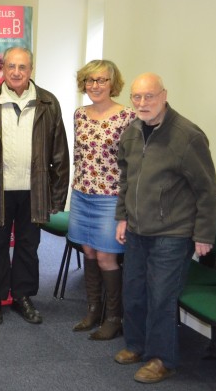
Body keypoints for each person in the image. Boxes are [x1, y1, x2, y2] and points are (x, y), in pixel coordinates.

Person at [113, 73, 216, 384]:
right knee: (132, 290)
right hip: (136, 228)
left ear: (164, 95)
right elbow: (125, 179)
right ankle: (136, 345)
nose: (143, 103)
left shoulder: (187, 136)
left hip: (173, 232)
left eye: (150, 96)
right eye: (137, 97)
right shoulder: (132, 132)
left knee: (161, 296)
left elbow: (206, 189)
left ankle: (162, 359)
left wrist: (204, 233)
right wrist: (123, 216)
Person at [0, 46, 69, 326]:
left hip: (34, 190)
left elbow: (60, 153)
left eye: (22, 67)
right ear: (3, 68)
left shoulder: (48, 103)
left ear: (31, 69)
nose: (16, 72)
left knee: (29, 246)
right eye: (11, 66)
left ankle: (23, 296)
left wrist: (56, 198)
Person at [68, 60, 135, 340]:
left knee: (107, 257)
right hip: (82, 194)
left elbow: (132, 164)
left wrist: (126, 208)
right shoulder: (79, 114)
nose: (95, 86)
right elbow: (79, 155)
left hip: (110, 198)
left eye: (102, 80)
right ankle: (93, 309)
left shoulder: (127, 117)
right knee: (90, 253)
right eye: (90, 81)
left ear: (112, 84)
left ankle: (113, 317)